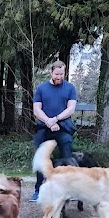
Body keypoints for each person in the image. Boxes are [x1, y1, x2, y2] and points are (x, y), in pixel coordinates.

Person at [31, 60, 78, 200]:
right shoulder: (41, 88)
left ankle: (69, 190)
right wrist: (49, 122)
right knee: (41, 156)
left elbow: (70, 109)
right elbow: (36, 110)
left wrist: (56, 119)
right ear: (51, 72)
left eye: (62, 74)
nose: (59, 77)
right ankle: (38, 190)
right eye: (56, 74)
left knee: (68, 154)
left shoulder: (70, 88)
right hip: (44, 128)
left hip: (63, 127)